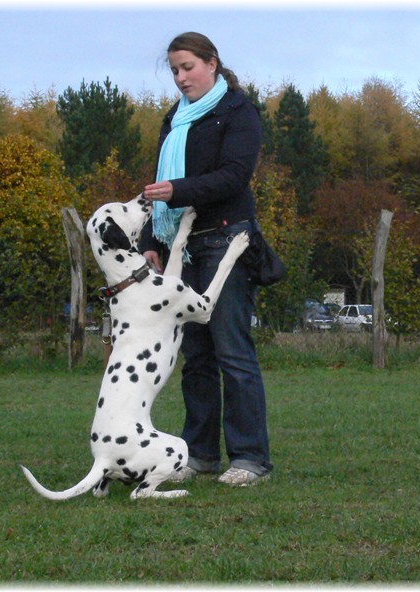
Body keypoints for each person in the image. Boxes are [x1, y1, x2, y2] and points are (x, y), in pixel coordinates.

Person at [140, 32, 273, 486]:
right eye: (174, 70)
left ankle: (250, 458)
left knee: (232, 351)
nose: (180, 78)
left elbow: (234, 177)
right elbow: (160, 182)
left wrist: (179, 191)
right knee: (196, 356)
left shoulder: (239, 111)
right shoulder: (175, 119)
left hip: (227, 240)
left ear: (211, 63)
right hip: (182, 246)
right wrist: (150, 239)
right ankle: (199, 455)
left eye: (188, 67)